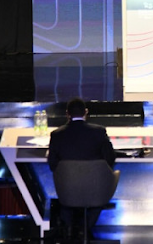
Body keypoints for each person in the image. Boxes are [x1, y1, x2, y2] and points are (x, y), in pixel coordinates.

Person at [47, 98, 116, 239]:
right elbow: (110, 159)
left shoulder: (56, 134)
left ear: (67, 114)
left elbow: (52, 164)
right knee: (99, 196)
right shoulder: (99, 132)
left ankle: (69, 228)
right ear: (86, 112)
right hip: (96, 188)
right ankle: (86, 227)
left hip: (67, 189)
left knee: (66, 198)